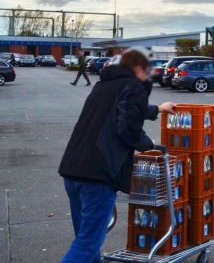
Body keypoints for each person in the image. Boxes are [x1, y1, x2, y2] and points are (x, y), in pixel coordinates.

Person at [58, 49, 176, 262]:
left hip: (73, 170)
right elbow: (127, 127)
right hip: (98, 176)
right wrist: (149, 146)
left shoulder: (104, 84)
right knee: (87, 245)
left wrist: (158, 109)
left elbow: (122, 110)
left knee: (88, 242)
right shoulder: (135, 87)